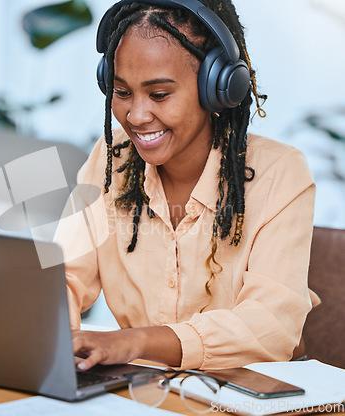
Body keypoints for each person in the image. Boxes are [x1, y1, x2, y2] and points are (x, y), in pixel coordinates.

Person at [54, 0, 319, 371]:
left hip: (248, 393)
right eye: (122, 91)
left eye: (159, 94)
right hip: (150, 389)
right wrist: (57, 341)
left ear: (218, 87)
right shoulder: (112, 158)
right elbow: (63, 274)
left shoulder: (279, 172)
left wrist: (135, 341)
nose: (136, 115)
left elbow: (271, 325)